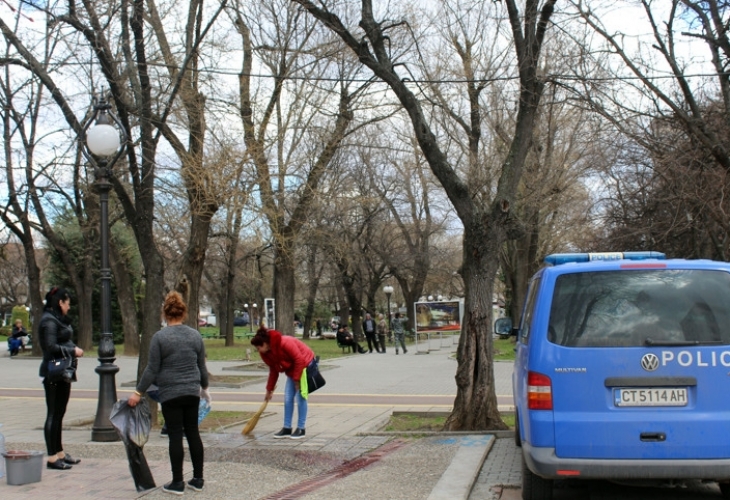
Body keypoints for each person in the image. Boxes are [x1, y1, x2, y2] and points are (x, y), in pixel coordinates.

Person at [128, 291, 210, 495]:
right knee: (192, 432)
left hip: (170, 393)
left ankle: (177, 482)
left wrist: (138, 391)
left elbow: (152, 369)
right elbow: (201, 366)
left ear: (165, 314)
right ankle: (198, 478)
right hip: (192, 391)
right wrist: (204, 387)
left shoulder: (159, 338)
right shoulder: (195, 335)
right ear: (183, 313)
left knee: (175, 435)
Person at [38, 286, 83, 471]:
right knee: (53, 414)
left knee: (59, 413)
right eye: (67, 303)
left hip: (63, 371)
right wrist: (72, 350)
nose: (69, 307)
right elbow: (49, 346)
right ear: (60, 302)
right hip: (53, 372)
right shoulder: (48, 321)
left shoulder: (57, 319)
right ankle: (52, 456)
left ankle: (60, 452)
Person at [251, 325, 316, 439]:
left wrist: (297, 381)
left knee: (300, 397)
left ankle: (301, 428)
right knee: (287, 398)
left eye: (258, 348)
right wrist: (269, 390)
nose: (258, 351)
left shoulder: (285, 343)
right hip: (293, 368)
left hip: (305, 364)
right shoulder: (265, 353)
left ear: (265, 343)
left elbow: (299, 360)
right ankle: (287, 428)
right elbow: (273, 370)